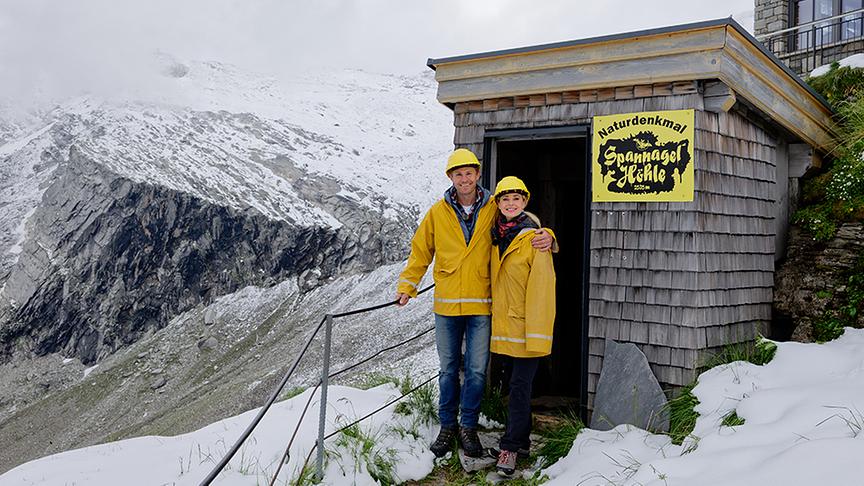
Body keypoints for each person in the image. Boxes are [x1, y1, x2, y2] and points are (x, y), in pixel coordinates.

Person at [395, 149, 554, 458]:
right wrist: (407, 286)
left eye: (469, 173)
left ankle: (469, 427)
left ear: (478, 175)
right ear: (450, 178)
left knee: (477, 370)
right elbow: (420, 251)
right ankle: (447, 427)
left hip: (482, 303)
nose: (464, 178)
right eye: (458, 174)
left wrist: (548, 235)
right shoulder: (437, 213)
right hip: (447, 305)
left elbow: (522, 221)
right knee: (448, 369)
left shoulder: (493, 207)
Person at [487, 176, 556, 477]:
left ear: (525, 202)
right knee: (516, 386)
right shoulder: (495, 237)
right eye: (505, 199)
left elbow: (542, 288)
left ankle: (510, 449)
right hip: (505, 327)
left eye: (516, 198)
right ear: (498, 204)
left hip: (526, 327)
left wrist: (538, 334)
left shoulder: (535, 239)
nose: (510, 203)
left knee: (517, 388)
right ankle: (523, 442)